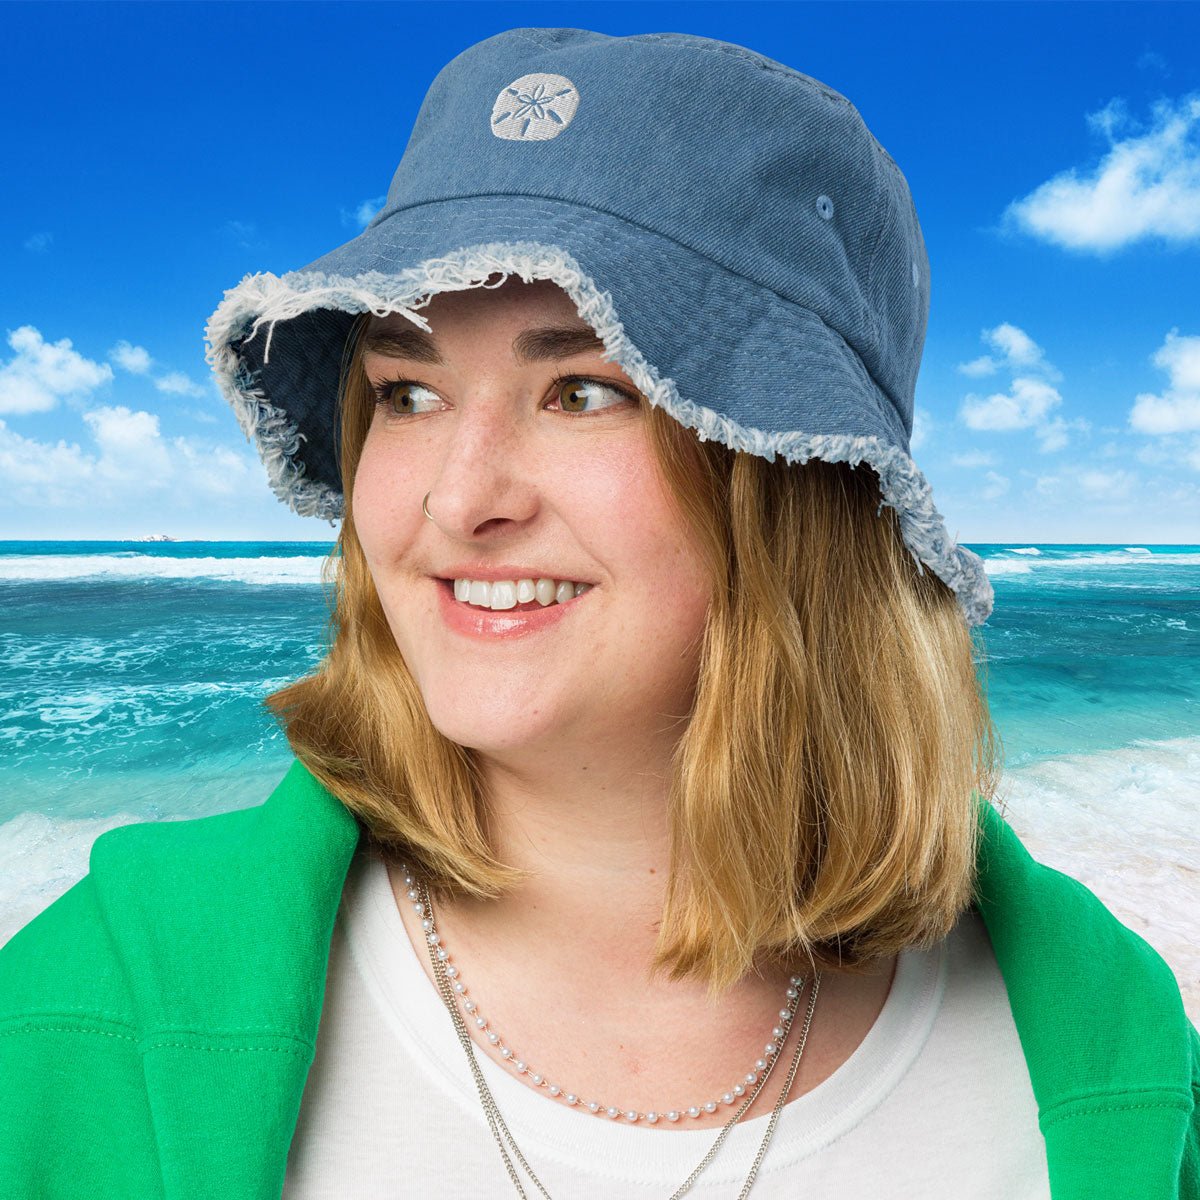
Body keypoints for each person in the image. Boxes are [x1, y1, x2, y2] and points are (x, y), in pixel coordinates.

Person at [1, 26, 1196, 1200]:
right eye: (407, 392)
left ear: (800, 477)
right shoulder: (92, 1006)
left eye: (583, 389)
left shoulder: (1106, 1050)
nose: (460, 500)